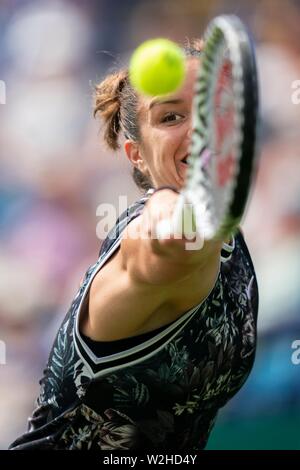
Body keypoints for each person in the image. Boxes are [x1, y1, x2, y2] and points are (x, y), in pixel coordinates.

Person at [9, 39, 258, 451]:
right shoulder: (152, 231)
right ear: (137, 156)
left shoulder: (229, 234)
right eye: (171, 116)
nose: (197, 127)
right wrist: (176, 208)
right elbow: (168, 236)